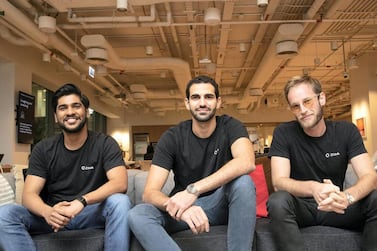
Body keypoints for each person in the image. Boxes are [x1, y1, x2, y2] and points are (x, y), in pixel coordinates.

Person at [128, 75, 256, 251]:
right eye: (196, 97)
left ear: (218, 102)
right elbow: (149, 193)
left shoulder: (231, 126)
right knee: (138, 214)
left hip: (220, 205)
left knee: (243, 183)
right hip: (182, 210)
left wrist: (193, 190)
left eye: (208, 97)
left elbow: (247, 161)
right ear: (187, 103)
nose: (202, 103)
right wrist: (180, 207)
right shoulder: (172, 137)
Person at [0, 83, 131, 251]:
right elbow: (29, 195)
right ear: (55, 116)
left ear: (85, 112)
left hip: (90, 213)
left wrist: (82, 201)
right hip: (54, 216)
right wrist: (48, 212)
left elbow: (120, 183)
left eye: (76, 106)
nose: (70, 112)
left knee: (120, 202)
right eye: (63, 108)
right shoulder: (43, 149)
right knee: (5, 214)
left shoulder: (105, 143)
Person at [267, 75, 377, 251]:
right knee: (277, 201)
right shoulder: (283, 133)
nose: (303, 110)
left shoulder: (346, 131)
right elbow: (279, 182)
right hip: (302, 207)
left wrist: (347, 197)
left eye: (308, 101)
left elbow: (370, 176)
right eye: (296, 106)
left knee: (375, 198)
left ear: (321, 98)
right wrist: (313, 188)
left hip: (336, 206)